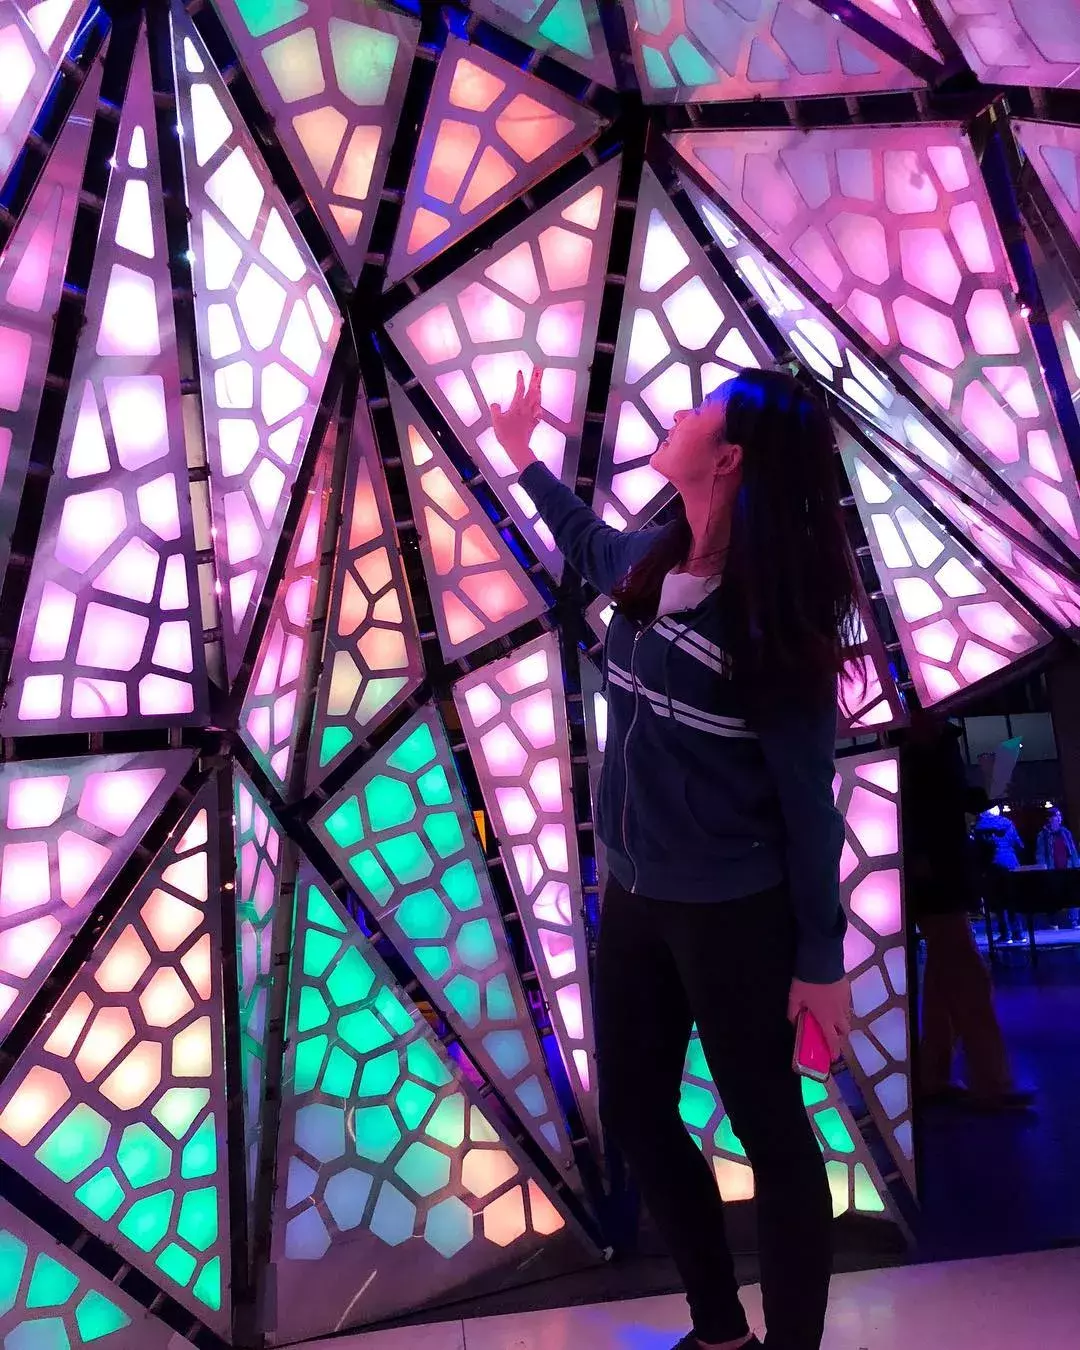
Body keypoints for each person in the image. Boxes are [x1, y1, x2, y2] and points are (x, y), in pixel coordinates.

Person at [490, 366, 856, 1350]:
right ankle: (718, 1332)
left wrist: (820, 959)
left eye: (702, 411)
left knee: (772, 1136)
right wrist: (524, 457)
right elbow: (589, 544)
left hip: (739, 914)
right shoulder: (655, 562)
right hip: (637, 903)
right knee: (642, 1120)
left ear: (728, 459)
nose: (679, 415)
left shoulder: (774, 619)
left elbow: (808, 808)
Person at [900, 710, 1033, 1110]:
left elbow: (936, 803)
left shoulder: (917, 748)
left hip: (938, 874)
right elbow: (943, 803)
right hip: (941, 876)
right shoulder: (932, 748)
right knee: (966, 975)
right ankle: (990, 1080)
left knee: (946, 977)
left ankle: (934, 1076)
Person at [972, 806, 1026, 944]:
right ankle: (1018, 933)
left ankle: (1005, 934)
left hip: (994, 865)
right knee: (1013, 898)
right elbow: (1019, 844)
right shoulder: (1008, 822)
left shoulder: (980, 826)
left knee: (1000, 900)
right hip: (1011, 863)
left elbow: (980, 850)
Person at [1035, 808, 1080, 928]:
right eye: (1056, 816)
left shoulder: (1065, 832)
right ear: (1050, 818)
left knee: (1072, 893)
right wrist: (1043, 868)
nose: (1059, 818)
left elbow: (1073, 850)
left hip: (1067, 868)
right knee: (1053, 896)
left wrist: (1077, 865)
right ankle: (1053, 922)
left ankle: (1074, 920)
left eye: (1060, 816)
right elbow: (1040, 853)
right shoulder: (1043, 835)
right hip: (1052, 869)